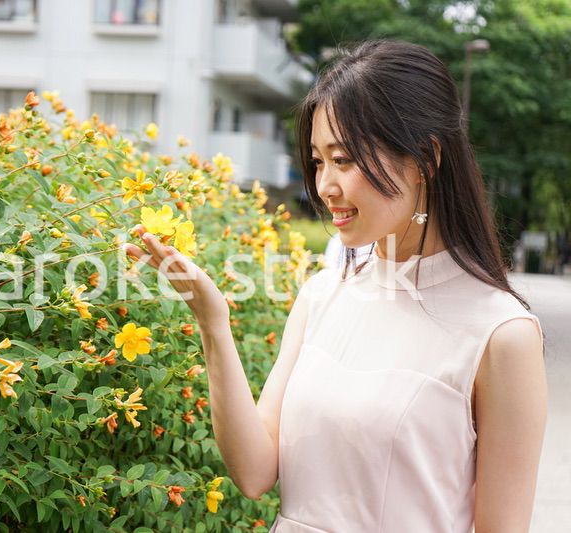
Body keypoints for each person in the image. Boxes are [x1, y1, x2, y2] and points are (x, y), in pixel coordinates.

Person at [124, 39, 546, 532]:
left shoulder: (501, 334)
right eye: (318, 161)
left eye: (344, 160)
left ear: (426, 160)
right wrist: (212, 323)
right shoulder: (323, 295)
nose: (324, 186)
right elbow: (255, 471)